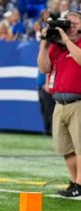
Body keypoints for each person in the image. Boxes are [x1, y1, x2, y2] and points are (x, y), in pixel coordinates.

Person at [37, 11, 81, 198]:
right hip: (59, 102)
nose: (71, 25)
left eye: (75, 22)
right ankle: (75, 182)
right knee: (65, 148)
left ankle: (80, 184)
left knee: (80, 147)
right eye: (67, 22)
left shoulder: (75, 44)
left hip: (78, 102)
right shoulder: (57, 47)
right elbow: (44, 67)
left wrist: (66, 40)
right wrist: (44, 45)